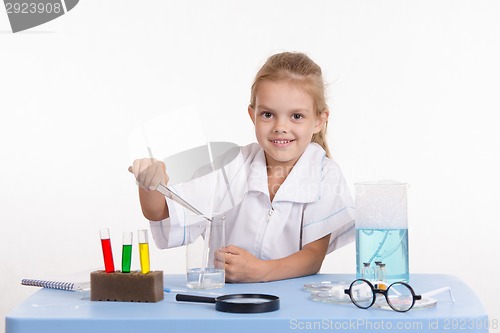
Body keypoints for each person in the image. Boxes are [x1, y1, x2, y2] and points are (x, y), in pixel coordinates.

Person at [129, 52, 354, 283]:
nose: (280, 127)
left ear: (319, 120)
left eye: (296, 116)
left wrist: (260, 271)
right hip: (226, 303)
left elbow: (313, 257)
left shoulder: (325, 174)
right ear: (252, 115)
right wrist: (149, 184)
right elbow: (160, 212)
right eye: (268, 114)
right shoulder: (231, 166)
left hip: (289, 307)